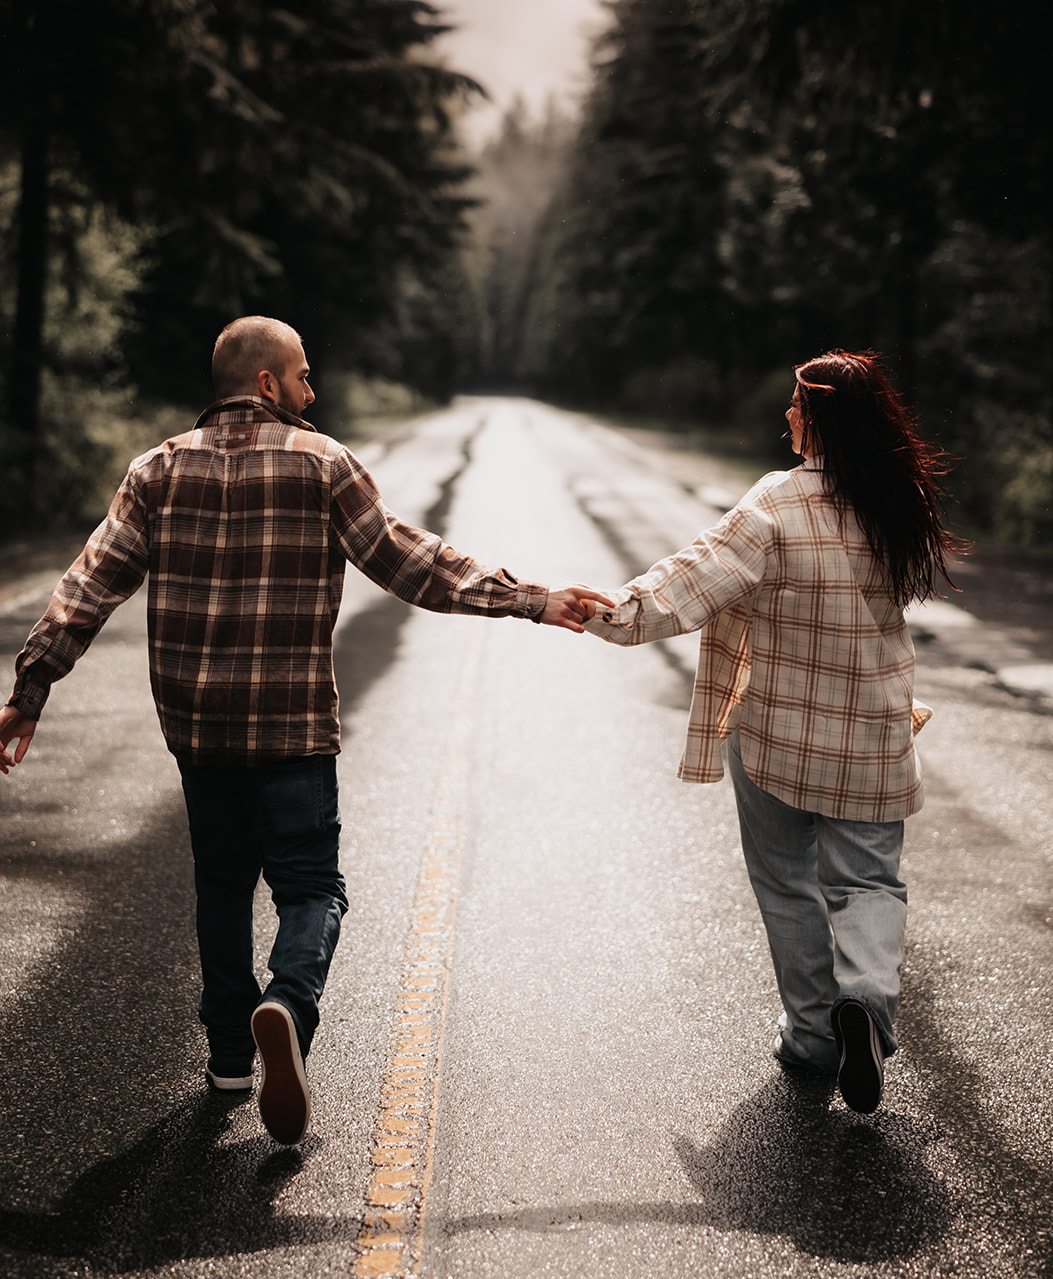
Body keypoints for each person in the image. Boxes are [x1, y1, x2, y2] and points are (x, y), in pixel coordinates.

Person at [0, 316, 611, 1145]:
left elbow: (89, 583)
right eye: (303, 377)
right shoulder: (322, 463)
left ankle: (226, 1055)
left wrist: (30, 687)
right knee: (312, 888)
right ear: (266, 384)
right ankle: (284, 1003)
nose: (311, 392)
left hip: (200, 733)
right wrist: (530, 599)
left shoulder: (156, 469)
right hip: (291, 729)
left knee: (220, 885)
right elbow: (409, 562)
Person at [582, 351, 961, 1113]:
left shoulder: (774, 506)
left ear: (815, 416)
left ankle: (815, 1037)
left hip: (776, 736)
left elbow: (687, 585)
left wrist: (599, 610)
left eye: (794, 404)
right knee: (868, 883)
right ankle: (863, 1001)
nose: (784, 415)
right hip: (872, 734)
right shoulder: (897, 496)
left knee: (788, 884)